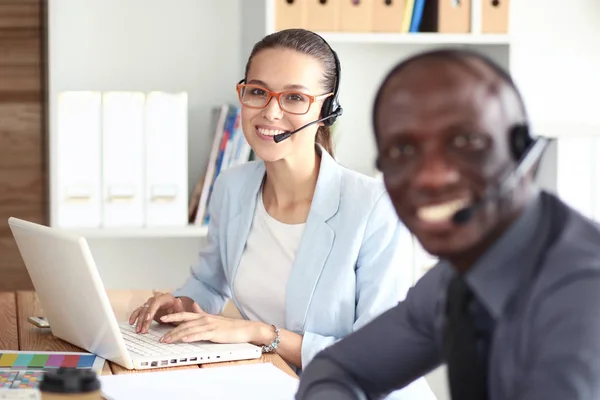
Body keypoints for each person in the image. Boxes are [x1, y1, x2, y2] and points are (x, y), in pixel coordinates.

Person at [128, 28, 435, 399]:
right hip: (275, 384)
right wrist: (181, 305)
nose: (271, 111)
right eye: (258, 92)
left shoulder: (375, 207)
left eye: (294, 97)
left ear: (326, 109)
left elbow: (378, 355)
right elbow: (209, 284)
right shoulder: (232, 188)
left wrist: (259, 333)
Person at [295, 48, 600, 400]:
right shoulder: (461, 275)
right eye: (402, 151)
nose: (430, 178)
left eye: (466, 142)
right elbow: (339, 369)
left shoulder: (583, 295)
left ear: (524, 155)